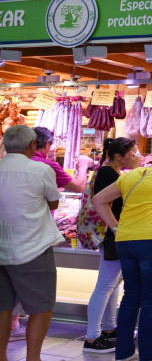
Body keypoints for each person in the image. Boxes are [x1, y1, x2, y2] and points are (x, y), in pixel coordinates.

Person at [93, 142, 152, 361]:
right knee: (150, 298)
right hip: (151, 239)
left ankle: (123, 353)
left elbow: (98, 200)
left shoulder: (129, 175)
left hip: (125, 239)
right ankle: (148, 353)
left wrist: (115, 226)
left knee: (131, 295)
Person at [0, 125, 63, 361]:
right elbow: (54, 203)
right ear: (32, 145)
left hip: (2, 245)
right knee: (41, 306)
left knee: (2, 306)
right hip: (33, 247)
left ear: (5, 144)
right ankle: (33, 357)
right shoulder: (40, 169)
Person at [83, 137, 139, 353]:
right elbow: (103, 203)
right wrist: (115, 228)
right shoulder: (108, 173)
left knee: (113, 283)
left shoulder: (110, 172)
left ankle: (108, 328)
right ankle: (92, 337)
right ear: (118, 156)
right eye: (132, 153)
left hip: (114, 233)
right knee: (105, 285)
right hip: (112, 233)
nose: (135, 157)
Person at [32, 126, 91, 193]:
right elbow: (78, 187)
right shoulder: (49, 166)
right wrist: (83, 165)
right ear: (47, 144)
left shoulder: (20, 160)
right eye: (50, 145)